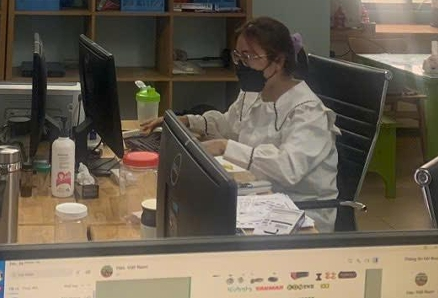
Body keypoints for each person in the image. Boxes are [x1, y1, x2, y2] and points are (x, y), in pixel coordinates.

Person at [142, 16, 340, 231]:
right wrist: (187, 121)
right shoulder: (254, 93)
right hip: (261, 198)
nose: (241, 65)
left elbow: (287, 169)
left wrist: (225, 146)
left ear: (279, 61)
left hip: (301, 213)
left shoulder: (309, 112)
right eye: (238, 56)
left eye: (250, 57)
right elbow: (229, 124)